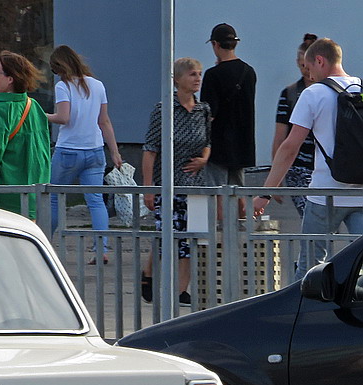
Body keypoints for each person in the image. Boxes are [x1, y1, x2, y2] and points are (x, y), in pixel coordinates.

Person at [256, 37, 363, 280]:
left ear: (320, 60)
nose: (310, 75)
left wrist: (265, 193)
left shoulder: (313, 94)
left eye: (309, 67)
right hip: (361, 194)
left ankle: (303, 314)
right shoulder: (361, 90)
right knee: (361, 267)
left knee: (310, 270)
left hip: (324, 195)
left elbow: (289, 147)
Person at [140, 57, 212, 306]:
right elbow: (150, 150)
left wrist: (204, 159)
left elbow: (208, 143)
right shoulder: (164, 109)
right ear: (177, 79)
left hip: (195, 183)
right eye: (192, 74)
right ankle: (148, 273)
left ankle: (181, 290)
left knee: (190, 239)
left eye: (199, 74)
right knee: (168, 235)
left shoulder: (203, 109)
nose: (197, 79)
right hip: (168, 183)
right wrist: (149, 189)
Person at [45, 45, 123, 261]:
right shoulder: (98, 86)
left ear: (59, 67)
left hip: (68, 150)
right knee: (96, 201)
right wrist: (114, 152)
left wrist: (41, 115)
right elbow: (104, 121)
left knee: (53, 198)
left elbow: (63, 118)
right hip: (95, 151)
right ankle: (102, 249)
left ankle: (44, 244)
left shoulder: (64, 86)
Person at [0, 51, 50, 218]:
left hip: (4, 199)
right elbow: (44, 154)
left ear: (10, 79)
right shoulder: (34, 106)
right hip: (33, 195)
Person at [200, 23, 256, 193]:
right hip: (243, 143)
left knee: (217, 192)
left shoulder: (212, 75)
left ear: (215, 44)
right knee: (238, 191)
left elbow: (209, 114)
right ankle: (240, 220)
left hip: (219, 145)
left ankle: (220, 221)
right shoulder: (249, 72)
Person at [271, 33, 319, 217]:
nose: (306, 71)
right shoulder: (290, 94)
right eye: (302, 66)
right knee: (311, 216)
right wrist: (276, 177)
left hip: (328, 167)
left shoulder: (332, 92)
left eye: (308, 66)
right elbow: (280, 137)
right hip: (299, 167)